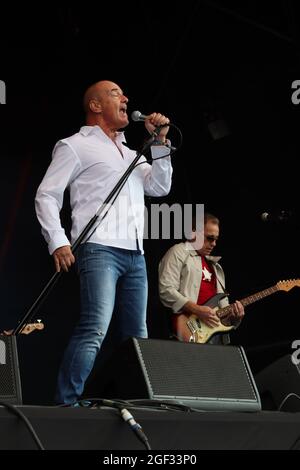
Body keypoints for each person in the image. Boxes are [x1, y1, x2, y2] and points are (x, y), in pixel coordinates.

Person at [35, 80, 173, 405]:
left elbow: (160, 187)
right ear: (95, 106)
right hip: (99, 248)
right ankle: (66, 403)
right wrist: (57, 240)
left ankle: (137, 404)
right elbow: (47, 194)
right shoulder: (74, 145)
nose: (125, 98)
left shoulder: (131, 154)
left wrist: (161, 143)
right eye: (115, 93)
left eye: (124, 94)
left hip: (135, 255)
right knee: (95, 327)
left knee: (137, 336)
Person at [158, 212, 244, 344]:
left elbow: (222, 316)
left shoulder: (215, 267)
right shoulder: (178, 252)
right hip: (187, 330)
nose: (214, 243)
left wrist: (235, 318)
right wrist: (197, 310)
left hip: (213, 337)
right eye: (209, 238)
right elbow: (166, 291)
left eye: (216, 239)